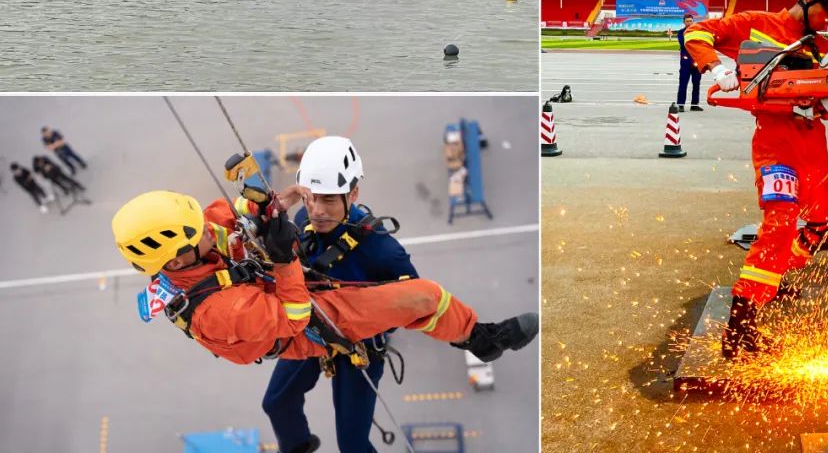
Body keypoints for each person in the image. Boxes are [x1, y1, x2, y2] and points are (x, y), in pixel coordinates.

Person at [111, 190, 538, 395]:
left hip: (268, 290)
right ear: (177, 259)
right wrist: (283, 260)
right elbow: (294, 314)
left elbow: (224, 216)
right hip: (304, 327)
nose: (207, 228)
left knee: (390, 292)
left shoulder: (192, 251)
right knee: (422, 296)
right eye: (198, 233)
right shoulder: (217, 314)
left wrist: (266, 202)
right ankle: (482, 340)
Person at [683, 0, 828, 358]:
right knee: (779, 225)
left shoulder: (825, 47)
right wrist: (716, 68)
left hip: (812, 146)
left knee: (823, 225)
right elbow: (697, 34)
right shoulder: (756, 24)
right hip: (776, 146)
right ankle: (740, 329)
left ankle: (772, 277)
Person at [262, 137, 418, 453]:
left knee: (353, 444)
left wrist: (367, 325)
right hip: (314, 328)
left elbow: (413, 301)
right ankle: (298, 447)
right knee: (277, 402)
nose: (317, 211)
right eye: (311, 198)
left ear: (354, 194)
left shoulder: (382, 249)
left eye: (330, 200)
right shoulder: (304, 220)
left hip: (357, 346)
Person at [673, 13, 704, 113]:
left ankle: (694, 105)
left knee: (696, 84)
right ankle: (681, 105)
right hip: (686, 63)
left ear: (693, 21)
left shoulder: (698, 32)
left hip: (697, 61)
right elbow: (683, 43)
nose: (689, 23)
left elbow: (701, 44)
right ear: (684, 22)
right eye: (687, 21)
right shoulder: (681, 32)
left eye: (691, 21)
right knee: (683, 83)